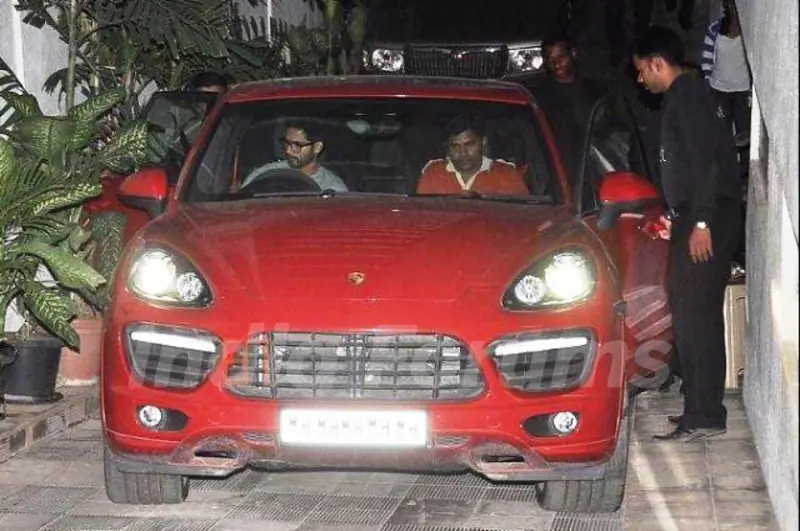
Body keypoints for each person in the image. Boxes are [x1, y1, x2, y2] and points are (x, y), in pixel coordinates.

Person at [632, 26, 742, 442]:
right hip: (697, 216)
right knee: (693, 315)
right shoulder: (689, 97)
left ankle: (705, 413)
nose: (641, 80)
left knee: (696, 319)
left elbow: (705, 167)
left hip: (706, 220)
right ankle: (700, 409)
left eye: (642, 71)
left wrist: (700, 223)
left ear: (658, 63)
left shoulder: (688, 99)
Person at [529, 35, 608, 183]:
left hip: (594, 169)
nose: (557, 64)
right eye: (551, 60)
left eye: (561, 57)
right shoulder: (540, 97)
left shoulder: (595, 91)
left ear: (573, 54)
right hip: (559, 173)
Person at [700, 0, 752, 177]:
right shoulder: (715, 30)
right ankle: (723, 171)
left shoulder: (749, 33)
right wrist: (707, 81)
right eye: (731, 6)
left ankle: (744, 173)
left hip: (742, 91)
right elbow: (707, 57)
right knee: (721, 132)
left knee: (744, 135)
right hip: (719, 89)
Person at [416, 115, 528, 195]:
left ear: (483, 142)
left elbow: (521, 219)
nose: (462, 153)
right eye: (455, 146)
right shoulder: (433, 173)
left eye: (469, 144)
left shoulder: (507, 175)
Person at [242, 121, 348, 192]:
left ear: (317, 147)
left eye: (297, 145)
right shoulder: (262, 175)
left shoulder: (333, 188)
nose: (288, 151)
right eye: (287, 143)